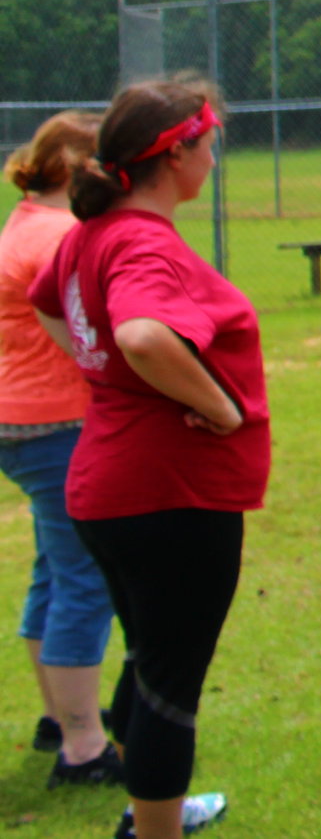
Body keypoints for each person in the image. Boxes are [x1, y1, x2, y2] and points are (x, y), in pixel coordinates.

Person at [29, 80, 267, 839]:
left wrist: (103, 375)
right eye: (211, 144)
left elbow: (46, 303)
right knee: (170, 688)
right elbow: (141, 334)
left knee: (147, 664)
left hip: (112, 487)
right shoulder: (139, 240)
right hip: (168, 495)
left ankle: (145, 814)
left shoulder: (89, 234)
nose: (216, 159)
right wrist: (224, 406)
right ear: (176, 153)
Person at [0, 111, 121, 789]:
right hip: (54, 424)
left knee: (53, 569)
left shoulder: (25, 220)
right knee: (83, 577)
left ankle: (60, 716)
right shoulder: (57, 233)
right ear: (76, 167)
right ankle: (83, 746)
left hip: (23, 419)